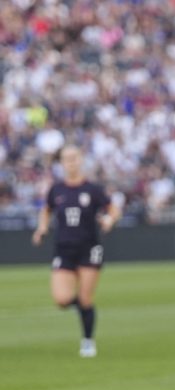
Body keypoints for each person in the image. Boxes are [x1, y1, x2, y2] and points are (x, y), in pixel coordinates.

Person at [32, 145, 121, 357]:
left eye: (74, 158)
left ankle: (88, 340)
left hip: (89, 248)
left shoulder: (93, 189)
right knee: (62, 299)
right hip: (63, 248)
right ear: (61, 163)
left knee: (85, 298)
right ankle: (83, 310)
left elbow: (113, 208)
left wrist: (109, 220)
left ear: (81, 160)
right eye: (66, 159)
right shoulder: (57, 189)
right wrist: (42, 228)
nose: (71, 162)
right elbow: (46, 210)